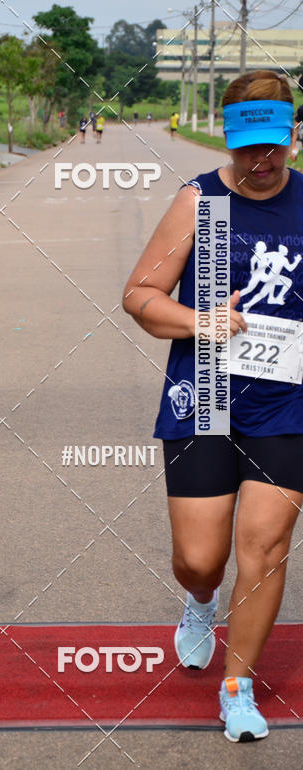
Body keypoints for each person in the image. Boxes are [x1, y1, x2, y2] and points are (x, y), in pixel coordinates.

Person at [123, 70, 302, 743]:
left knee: (266, 546)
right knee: (203, 558)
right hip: (204, 396)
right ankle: (200, 602)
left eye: (275, 146)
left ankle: (238, 688)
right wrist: (200, 323)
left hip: (289, 403)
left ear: (291, 135)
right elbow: (140, 294)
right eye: (249, 146)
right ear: (228, 137)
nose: (262, 161)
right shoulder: (200, 204)